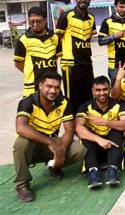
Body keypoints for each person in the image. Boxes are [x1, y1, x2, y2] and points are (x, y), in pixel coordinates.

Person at [13, 71, 85, 202]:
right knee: (21, 143)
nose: (53, 90)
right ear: (40, 85)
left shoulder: (64, 103)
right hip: (33, 146)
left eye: (57, 87)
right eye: (49, 86)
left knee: (79, 150)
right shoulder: (27, 102)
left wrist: (61, 150)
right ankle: (22, 184)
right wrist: (50, 143)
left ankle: (54, 165)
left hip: (51, 144)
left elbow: (69, 130)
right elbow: (21, 127)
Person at [75, 76, 125, 188]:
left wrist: (105, 122)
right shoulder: (85, 107)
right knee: (86, 135)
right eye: (98, 90)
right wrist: (99, 139)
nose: (102, 93)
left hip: (112, 148)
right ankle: (93, 171)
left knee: (116, 131)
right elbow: (78, 128)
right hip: (95, 149)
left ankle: (113, 169)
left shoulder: (118, 105)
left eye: (105, 89)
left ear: (110, 89)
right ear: (93, 91)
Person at [56, 0, 97, 112]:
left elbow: (88, 38)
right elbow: (57, 38)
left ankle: (85, 126)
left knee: (88, 96)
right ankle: (72, 128)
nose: (83, 0)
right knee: (72, 99)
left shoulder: (91, 18)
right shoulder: (67, 16)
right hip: (71, 64)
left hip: (86, 63)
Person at [14, 7, 60, 97]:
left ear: (45, 20)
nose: (35, 24)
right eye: (32, 21)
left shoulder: (55, 38)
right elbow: (18, 64)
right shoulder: (23, 40)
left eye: (38, 21)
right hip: (32, 88)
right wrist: (31, 71)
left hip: (53, 88)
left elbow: (57, 58)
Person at [98, 0, 125, 84]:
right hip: (115, 65)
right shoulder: (107, 22)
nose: (123, 9)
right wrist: (115, 36)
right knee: (116, 91)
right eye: (121, 7)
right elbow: (100, 41)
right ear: (115, 7)